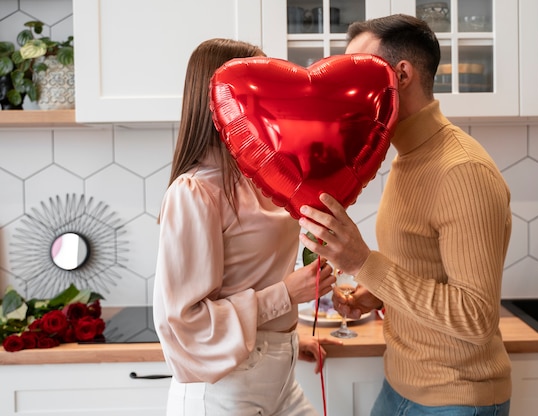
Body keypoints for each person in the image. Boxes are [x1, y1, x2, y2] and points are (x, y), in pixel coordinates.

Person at [298, 14, 512, 416]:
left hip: (455, 400)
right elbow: (425, 267)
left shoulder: (462, 170)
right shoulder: (406, 157)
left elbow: (475, 316)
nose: (343, 88)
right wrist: (375, 293)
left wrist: (364, 262)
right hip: (399, 387)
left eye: (356, 72)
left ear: (401, 75)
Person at [153, 38, 339, 416]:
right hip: (224, 389)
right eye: (259, 86)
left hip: (277, 377)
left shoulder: (262, 176)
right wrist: (286, 295)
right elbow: (184, 321)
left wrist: (284, 340)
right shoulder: (195, 191)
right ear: (221, 96)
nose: (272, 97)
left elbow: (246, 278)